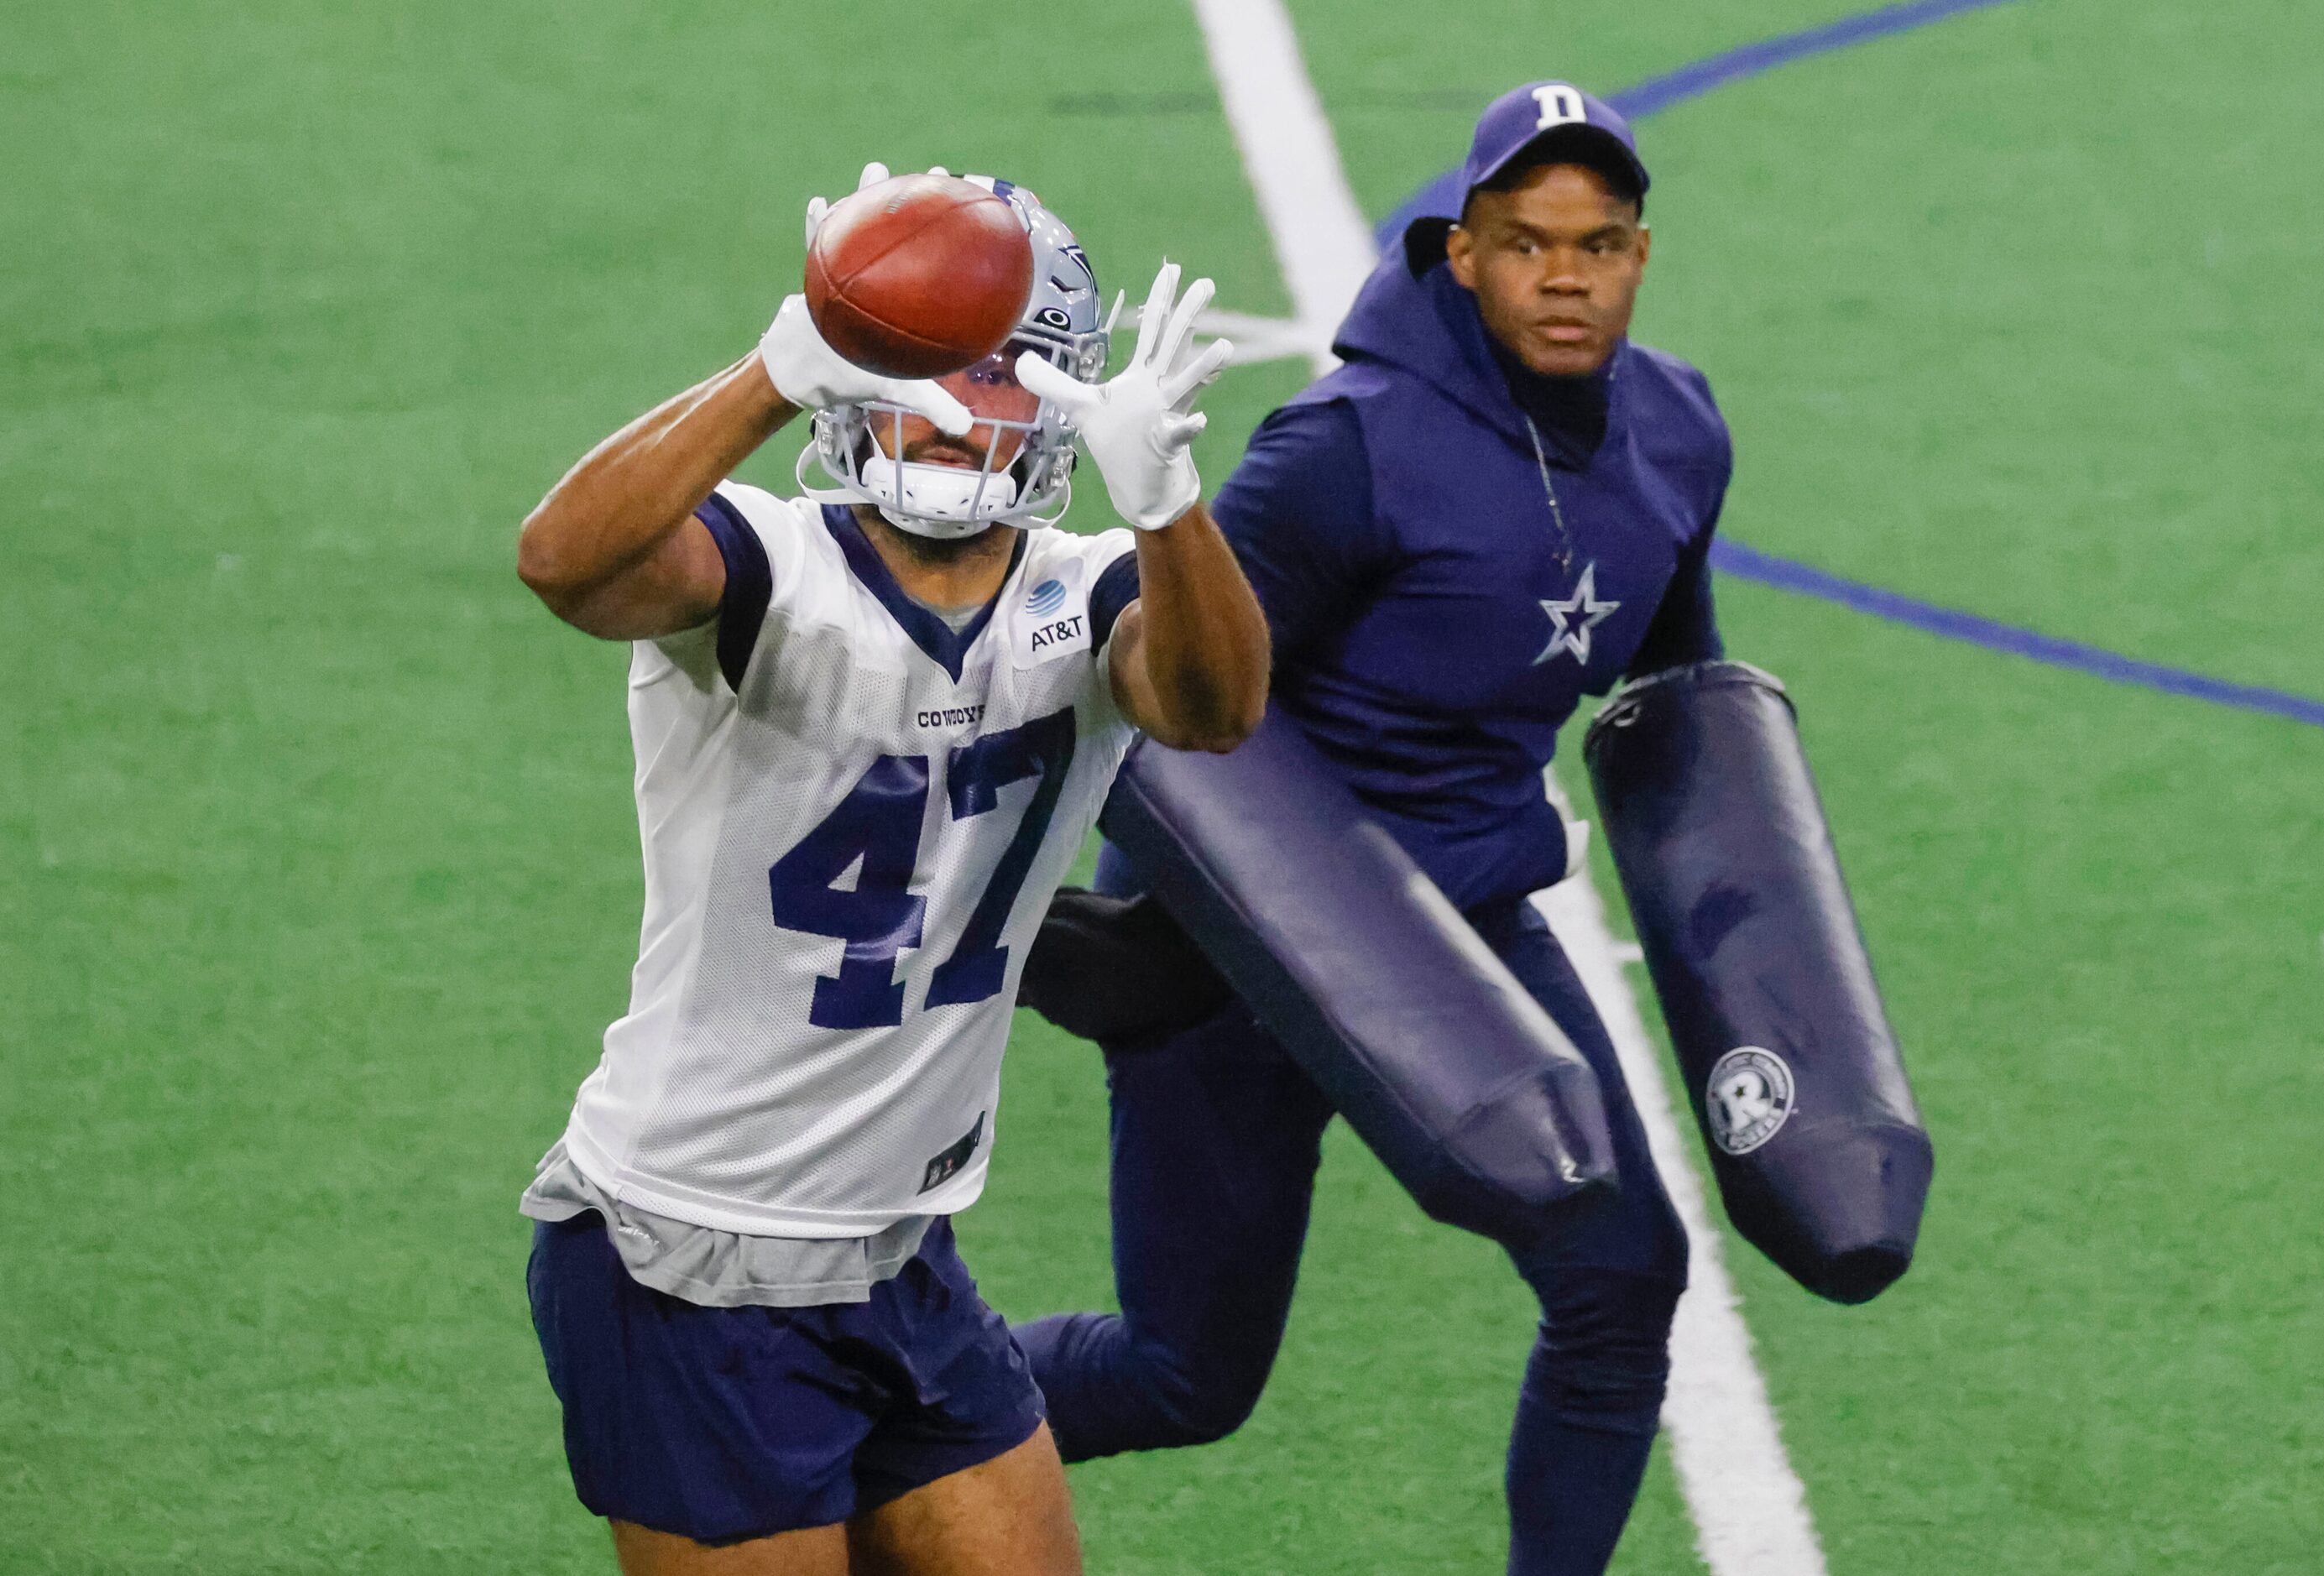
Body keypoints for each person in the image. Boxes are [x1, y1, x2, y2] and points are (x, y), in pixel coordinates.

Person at [1014, 84, 1731, 1575]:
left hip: (1467, 925)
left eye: (1599, 243)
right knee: (1183, 1376)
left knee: (1621, 1274)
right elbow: (1185, 696)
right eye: (1528, 242)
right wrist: (1147, 949)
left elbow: (1672, 696)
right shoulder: (1348, 447)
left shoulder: (1677, 435)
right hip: (1242, 942)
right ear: (1460, 252)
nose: (1566, 275)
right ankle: (856, 1425)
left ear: (1641, 255)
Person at [511, 164, 1269, 1576]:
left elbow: (1216, 709)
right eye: (931, 360)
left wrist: (1170, 505)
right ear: (860, 369)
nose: (960, 404)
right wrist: (771, 369)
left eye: (999, 372)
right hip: (692, 1244)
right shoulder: (769, 567)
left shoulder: (1088, 585)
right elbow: (562, 563)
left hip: (895, 1244)